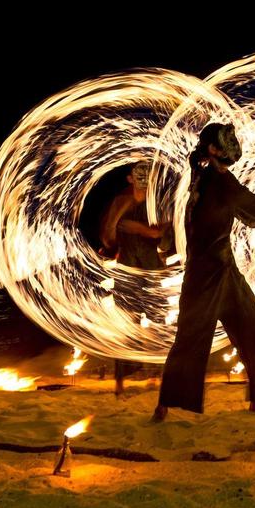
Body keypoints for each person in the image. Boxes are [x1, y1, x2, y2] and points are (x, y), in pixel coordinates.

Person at [152, 123, 255, 421]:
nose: (233, 146)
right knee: (191, 340)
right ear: (214, 150)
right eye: (226, 142)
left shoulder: (202, 173)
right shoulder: (219, 182)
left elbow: (246, 209)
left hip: (222, 269)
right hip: (206, 274)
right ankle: (165, 406)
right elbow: (252, 210)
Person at [100, 161, 170, 395]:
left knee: (158, 324)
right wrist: (116, 220)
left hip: (151, 271)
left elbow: (162, 235)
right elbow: (108, 240)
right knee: (126, 325)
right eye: (138, 173)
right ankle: (120, 384)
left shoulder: (157, 204)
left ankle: (158, 378)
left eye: (147, 172)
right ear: (130, 179)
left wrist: (137, 228)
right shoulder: (120, 202)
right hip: (127, 271)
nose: (144, 176)